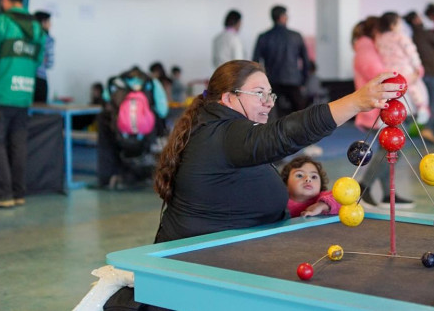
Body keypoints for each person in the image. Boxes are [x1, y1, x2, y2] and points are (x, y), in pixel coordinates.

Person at [153, 60, 403, 242]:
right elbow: (284, 135)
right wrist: (355, 102)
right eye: (258, 93)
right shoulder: (222, 134)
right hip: (198, 265)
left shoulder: (217, 129)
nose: (268, 102)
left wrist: (321, 204)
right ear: (228, 99)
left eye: (269, 94)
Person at [0, 0, 45, 209]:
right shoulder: (38, 28)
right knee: (18, 144)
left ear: (3, 0)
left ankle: (2, 193)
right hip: (23, 95)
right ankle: (18, 192)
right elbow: (38, 61)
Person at [351, 18, 414, 208]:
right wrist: (408, 74)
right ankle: (364, 186)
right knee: (391, 148)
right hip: (380, 108)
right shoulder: (365, 48)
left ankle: (387, 194)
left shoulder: (369, 47)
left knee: (390, 150)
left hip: (384, 106)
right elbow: (380, 75)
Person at [375, 11, 434, 142]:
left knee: (390, 97)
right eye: (399, 23)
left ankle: (384, 119)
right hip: (404, 69)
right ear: (392, 25)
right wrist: (418, 67)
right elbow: (411, 52)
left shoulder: (379, 39)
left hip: (389, 72)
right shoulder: (401, 37)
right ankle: (422, 108)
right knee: (414, 88)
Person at [252, 5, 310, 118]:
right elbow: (306, 61)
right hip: (293, 80)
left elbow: (255, 62)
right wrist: (304, 80)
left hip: (271, 81)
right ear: (282, 17)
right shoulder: (296, 36)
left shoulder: (263, 37)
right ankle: (298, 134)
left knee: (272, 113)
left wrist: (259, 83)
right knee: (299, 114)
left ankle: (275, 135)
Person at [405, 11, 434, 131]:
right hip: (432, 73)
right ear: (415, 20)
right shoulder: (425, 33)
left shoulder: (412, 36)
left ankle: (421, 129)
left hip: (421, 74)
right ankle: (427, 130)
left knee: (425, 103)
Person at [32, 11, 54, 103]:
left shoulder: (30, 37)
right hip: (41, 79)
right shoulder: (48, 40)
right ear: (43, 22)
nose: (51, 24)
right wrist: (43, 60)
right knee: (40, 112)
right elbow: (50, 63)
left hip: (27, 77)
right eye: (49, 21)